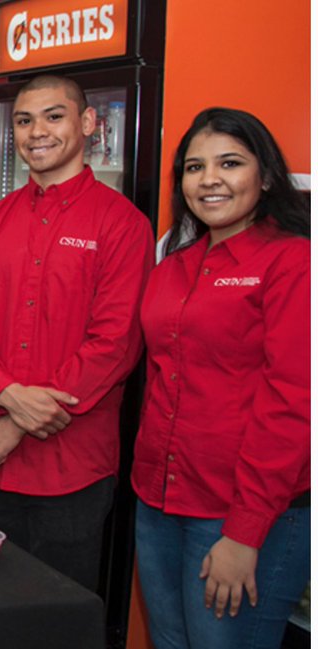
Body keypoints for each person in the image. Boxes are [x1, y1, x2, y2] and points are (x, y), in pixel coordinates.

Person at [0, 75, 153, 591]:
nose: (37, 131)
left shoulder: (122, 225)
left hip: (71, 471)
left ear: (87, 123)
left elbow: (114, 344)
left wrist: (14, 423)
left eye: (53, 116)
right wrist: (6, 393)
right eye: (24, 120)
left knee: (59, 616)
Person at [132, 108, 310, 649]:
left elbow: (293, 404)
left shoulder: (293, 263)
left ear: (267, 176)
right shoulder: (173, 267)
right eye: (194, 167)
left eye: (229, 163)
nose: (208, 179)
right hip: (158, 504)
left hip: (241, 514)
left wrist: (244, 531)